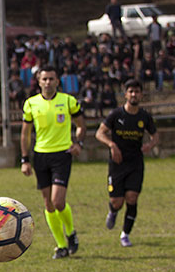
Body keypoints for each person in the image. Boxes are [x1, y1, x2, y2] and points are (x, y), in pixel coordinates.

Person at [20, 65, 87, 259]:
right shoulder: (31, 104)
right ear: (39, 82)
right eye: (44, 79)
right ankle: (61, 245)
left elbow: (81, 126)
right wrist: (25, 159)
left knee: (58, 201)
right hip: (41, 156)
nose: (48, 82)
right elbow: (25, 134)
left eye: (51, 79)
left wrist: (79, 143)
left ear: (57, 81)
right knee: (48, 204)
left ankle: (71, 231)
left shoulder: (68, 101)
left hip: (62, 155)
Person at [94, 78, 159, 247]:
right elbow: (99, 133)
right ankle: (113, 211)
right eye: (131, 91)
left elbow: (155, 135)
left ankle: (125, 234)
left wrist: (150, 145)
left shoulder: (144, 116)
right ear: (125, 94)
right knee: (117, 201)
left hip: (135, 163)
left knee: (132, 197)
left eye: (137, 91)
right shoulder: (116, 114)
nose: (134, 94)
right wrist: (112, 145)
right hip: (117, 164)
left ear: (141, 95)